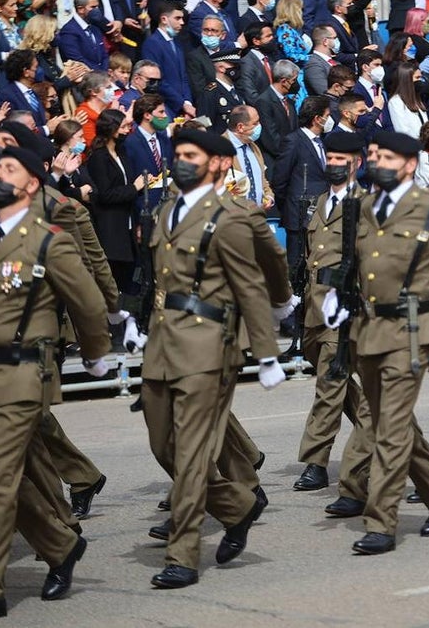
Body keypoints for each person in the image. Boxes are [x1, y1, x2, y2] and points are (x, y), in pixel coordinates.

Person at [0, 146, 110, 622]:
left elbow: (89, 304)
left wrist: (97, 354)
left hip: (21, 375)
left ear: (33, 183)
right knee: (2, 480)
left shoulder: (48, 241)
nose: (0, 174)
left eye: (10, 169)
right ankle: (60, 546)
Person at [318, 130, 429, 553]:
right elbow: (355, 266)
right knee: (385, 422)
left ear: (410, 164)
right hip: (368, 330)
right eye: (374, 155)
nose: (377, 162)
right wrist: (337, 302)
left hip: (413, 332)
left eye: (388, 157)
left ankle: (381, 522)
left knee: (391, 430)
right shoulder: (362, 207)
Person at [141, 128, 287, 587]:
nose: (181, 160)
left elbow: (251, 282)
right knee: (162, 444)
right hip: (162, 342)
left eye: (191, 154)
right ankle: (237, 505)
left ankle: (182, 555)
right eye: (178, 153)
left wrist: (266, 352)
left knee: (189, 455)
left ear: (214, 163)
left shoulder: (228, 216)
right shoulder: (166, 212)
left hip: (208, 343)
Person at [293, 131, 374, 507]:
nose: (334, 164)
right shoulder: (320, 202)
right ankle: (394, 440)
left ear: (356, 163)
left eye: (342, 158)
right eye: (330, 157)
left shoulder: (365, 205)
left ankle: (316, 461)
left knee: (330, 381)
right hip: (314, 308)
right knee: (349, 389)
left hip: (344, 308)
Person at [274, 95, 333, 271]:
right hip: (299, 213)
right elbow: (280, 180)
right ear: (317, 118)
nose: (330, 119)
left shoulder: (321, 142)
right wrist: (291, 205)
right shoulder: (293, 140)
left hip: (319, 212)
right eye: (328, 115)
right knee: (296, 264)